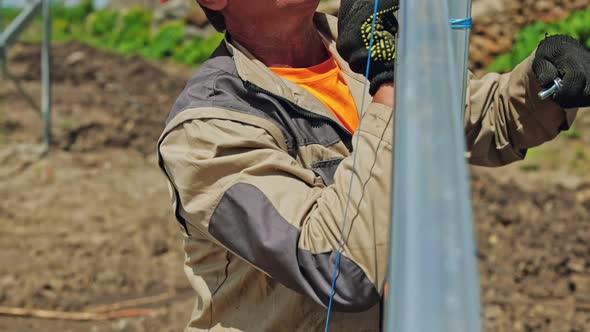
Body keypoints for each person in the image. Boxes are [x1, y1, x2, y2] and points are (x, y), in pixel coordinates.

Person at [157, 0, 589, 331]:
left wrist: (543, 83)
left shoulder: (354, 50)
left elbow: (476, 118)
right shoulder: (208, 130)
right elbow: (335, 267)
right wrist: (395, 83)